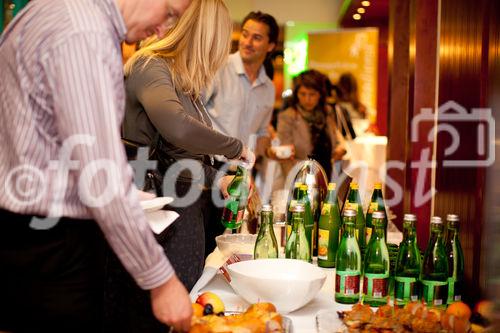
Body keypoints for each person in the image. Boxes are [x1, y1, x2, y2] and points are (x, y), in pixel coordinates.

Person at [0, 0, 194, 332]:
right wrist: (161, 280)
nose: (163, 30)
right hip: (54, 246)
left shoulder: (54, 8)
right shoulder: (86, 32)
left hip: (22, 232)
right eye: (169, 13)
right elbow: (100, 179)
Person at [105, 1, 254, 331]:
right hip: (155, 226)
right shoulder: (150, 65)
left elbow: (180, 159)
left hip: (183, 221)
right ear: (207, 37)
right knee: (146, 317)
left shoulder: (184, 83)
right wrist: (236, 148)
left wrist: (220, 181)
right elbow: (178, 128)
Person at [202, 11, 279, 252]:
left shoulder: (268, 88)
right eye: (245, 34)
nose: (247, 42)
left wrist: (270, 152)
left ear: (271, 45)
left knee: (229, 244)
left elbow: (261, 133)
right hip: (208, 169)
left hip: (240, 175)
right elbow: (194, 114)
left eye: (256, 37)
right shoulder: (218, 68)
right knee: (204, 241)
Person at [277, 70, 346, 181]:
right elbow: (285, 157)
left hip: (328, 175)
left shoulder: (327, 112)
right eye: (302, 94)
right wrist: (298, 184)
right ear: (296, 94)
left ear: (320, 95)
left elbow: (337, 140)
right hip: (301, 179)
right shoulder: (288, 116)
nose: (307, 99)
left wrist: (340, 149)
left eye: (312, 94)